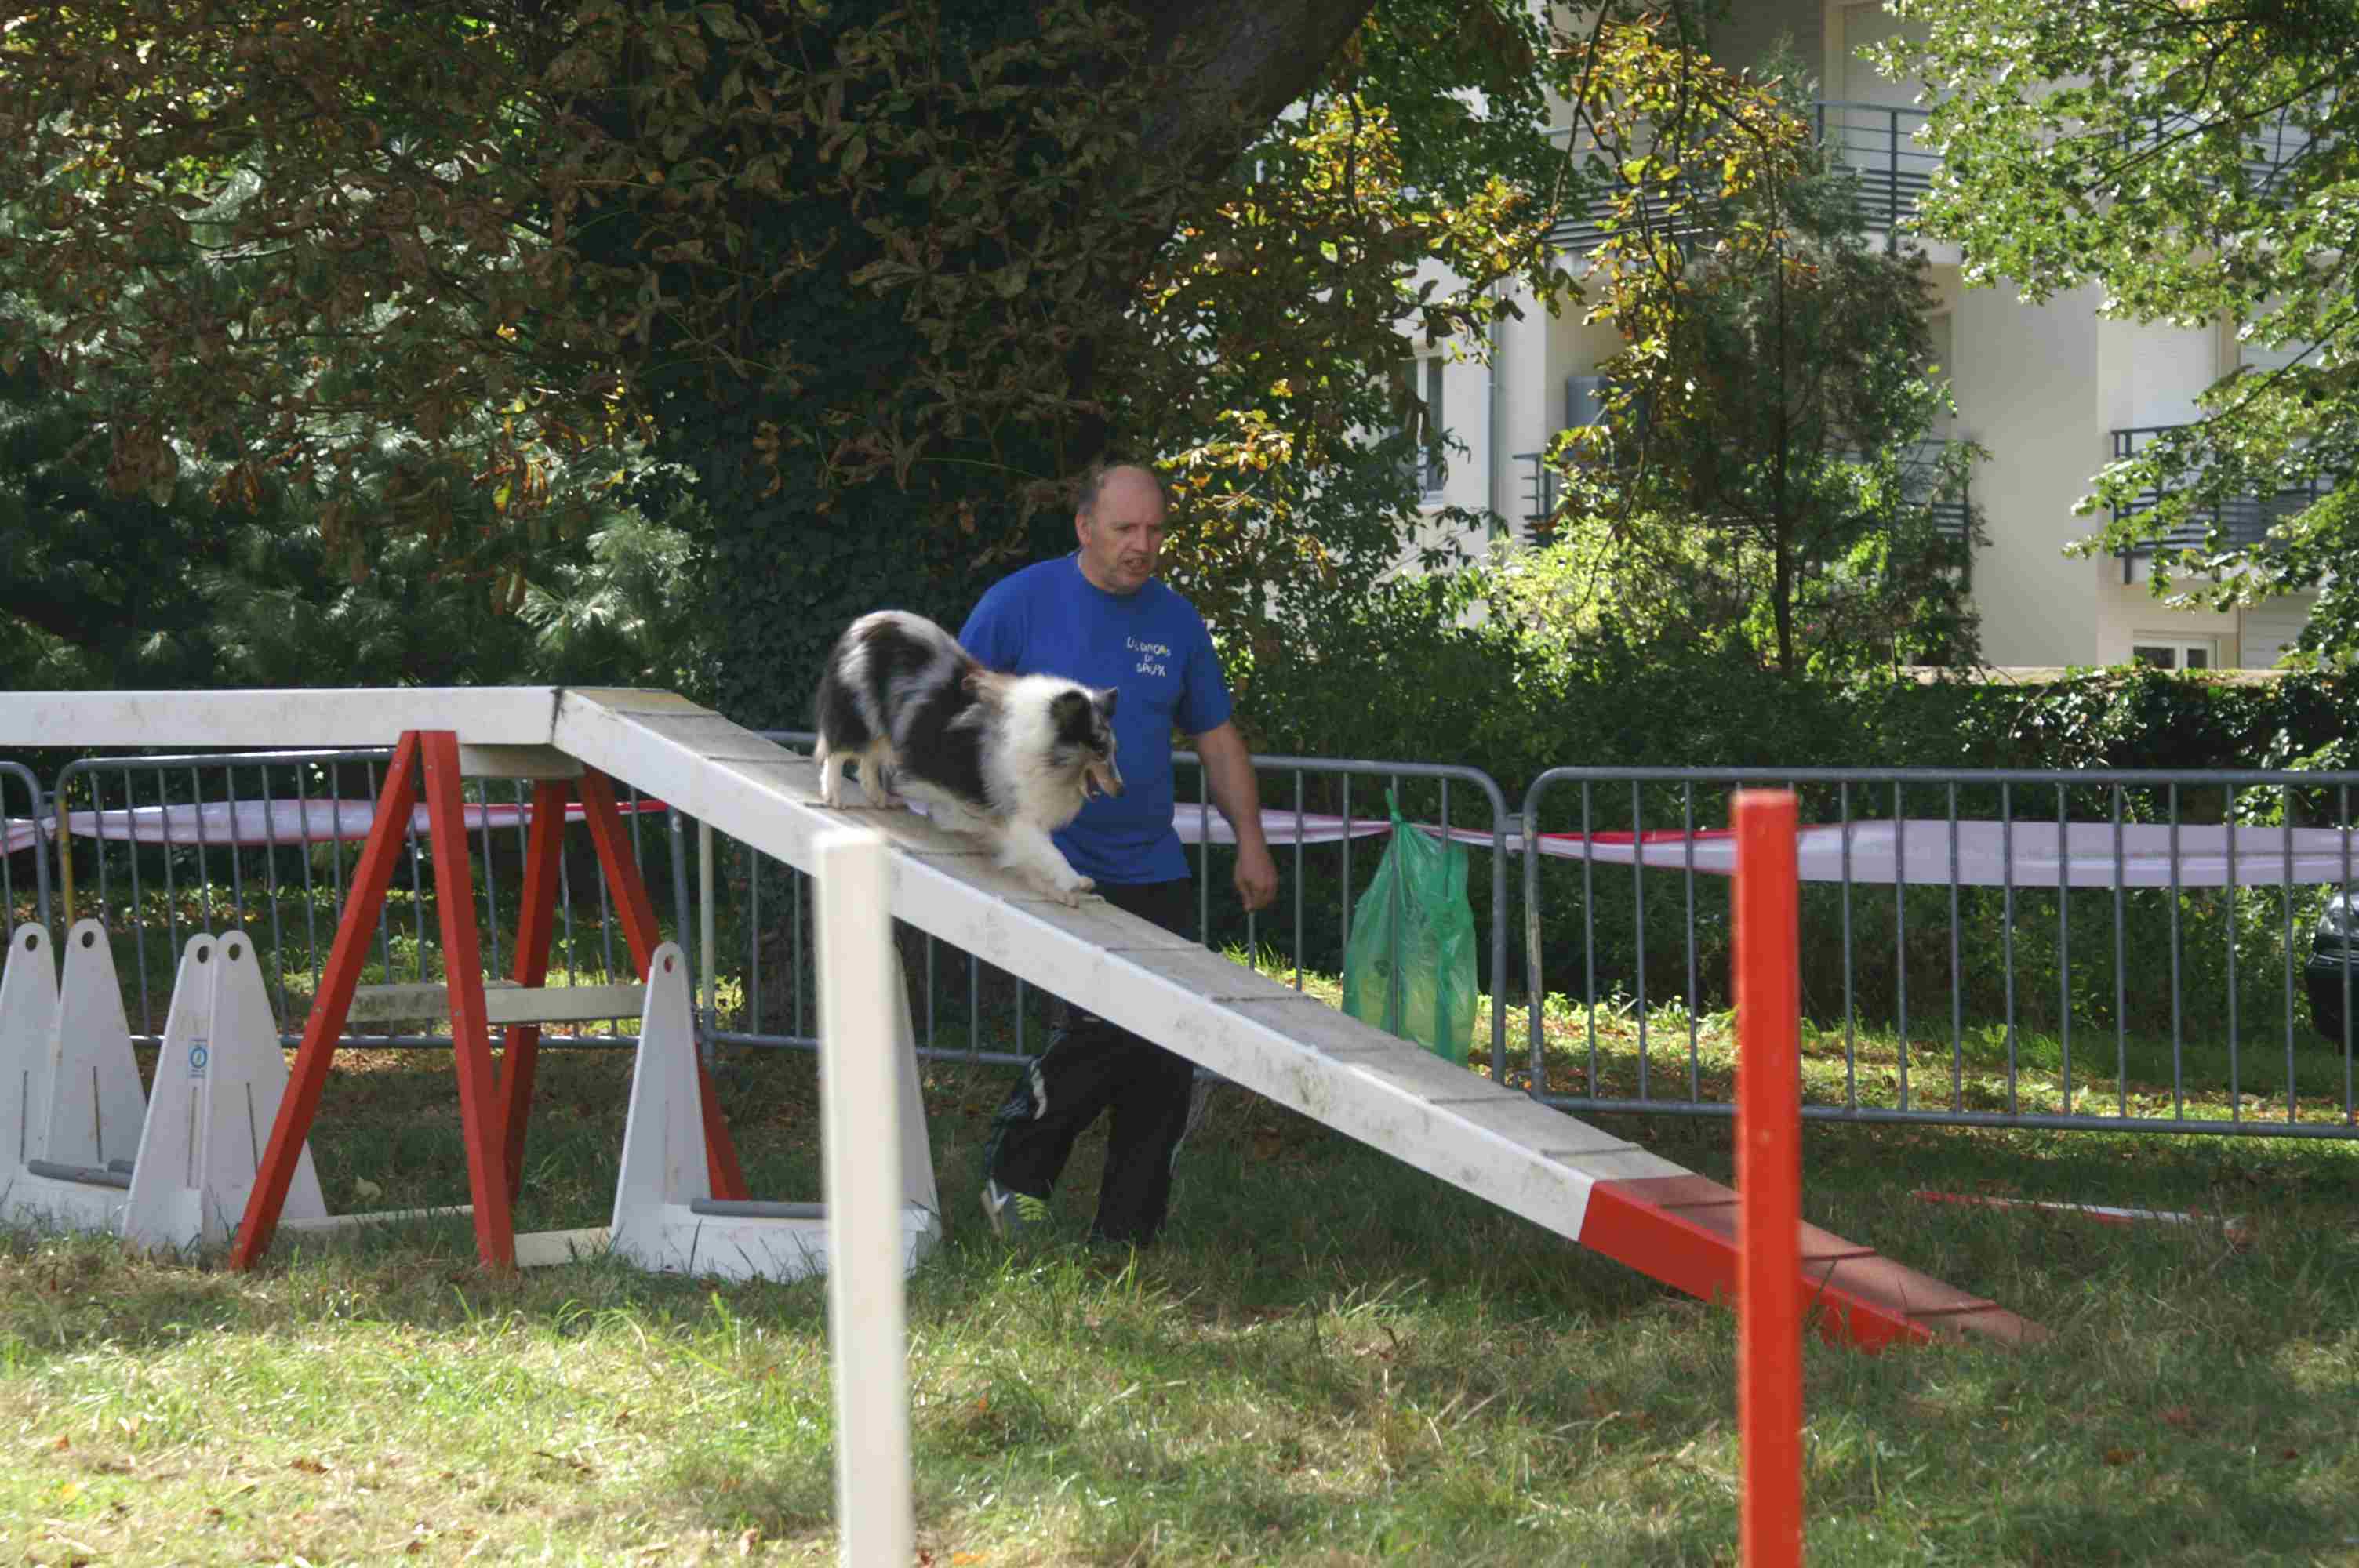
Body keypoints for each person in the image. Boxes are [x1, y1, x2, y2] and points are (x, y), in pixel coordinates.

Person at [962, 459, 1278, 1247]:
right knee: (1104, 1024)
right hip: (1053, 862)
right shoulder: (1019, 603)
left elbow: (1216, 737)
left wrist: (1251, 840)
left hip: (1153, 865)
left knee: (1168, 1044)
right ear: (1084, 527)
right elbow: (956, 699)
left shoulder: (1176, 622)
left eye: (1155, 530)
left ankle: (1127, 1235)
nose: (1142, 544)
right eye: (1125, 528)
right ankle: (1015, 1176)